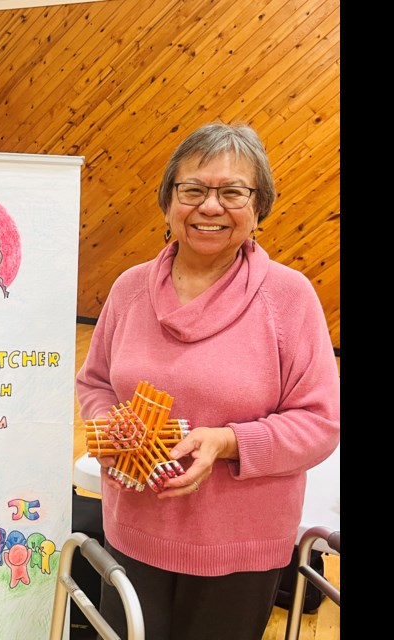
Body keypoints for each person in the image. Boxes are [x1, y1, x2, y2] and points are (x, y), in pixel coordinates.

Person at [74, 122, 339, 639]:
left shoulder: (289, 297)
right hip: (132, 530)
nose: (210, 207)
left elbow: (320, 421)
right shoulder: (130, 289)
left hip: (239, 546)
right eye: (193, 190)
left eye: (233, 192)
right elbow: (95, 384)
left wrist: (227, 442)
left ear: (258, 206)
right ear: (169, 202)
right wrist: (115, 428)